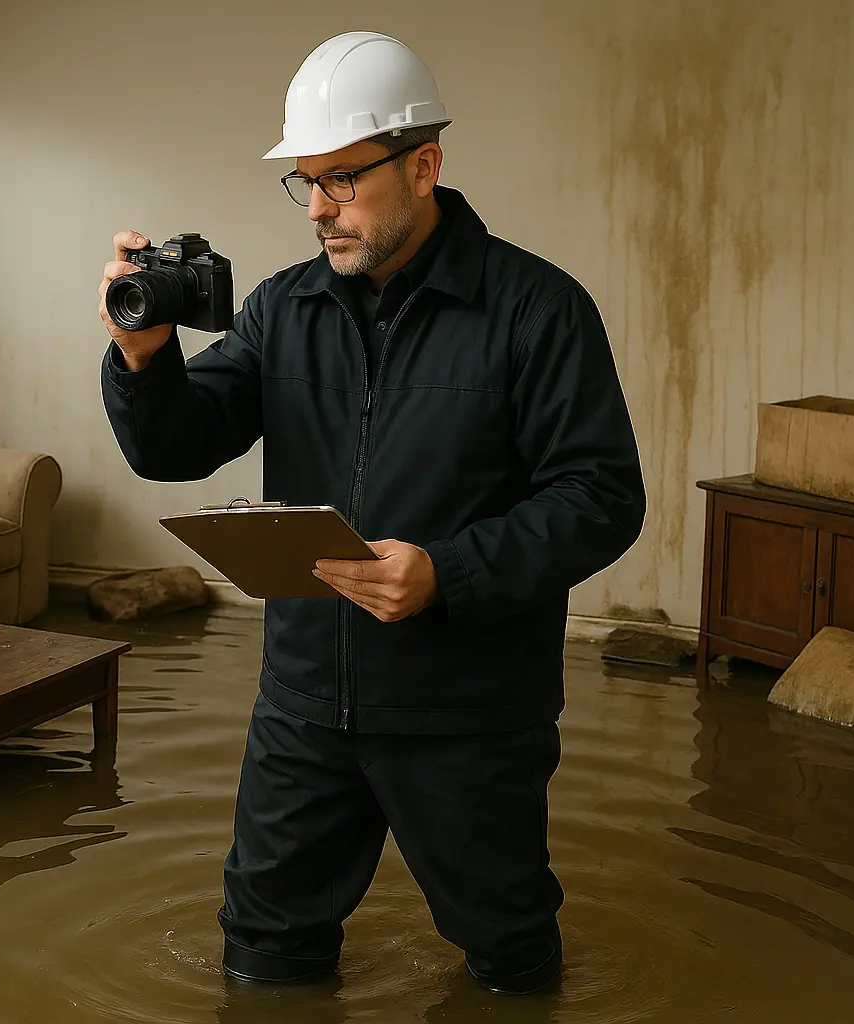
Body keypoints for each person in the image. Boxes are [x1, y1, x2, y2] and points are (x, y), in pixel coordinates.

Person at [98, 31, 644, 996]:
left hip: (468, 714)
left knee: (509, 964)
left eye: (342, 180)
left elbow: (602, 499)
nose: (317, 209)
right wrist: (143, 358)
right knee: (263, 956)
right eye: (305, 183)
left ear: (424, 164)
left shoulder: (537, 312)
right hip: (305, 705)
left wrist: (448, 572)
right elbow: (171, 448)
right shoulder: (282, 310)